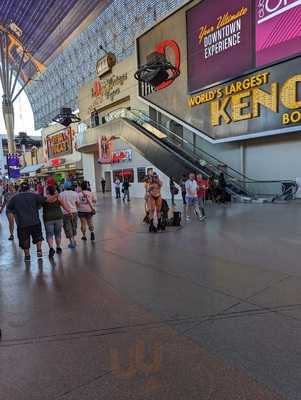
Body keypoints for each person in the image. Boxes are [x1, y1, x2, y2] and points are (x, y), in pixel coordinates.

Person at [7, 181, 45, 262]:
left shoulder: (15, 197)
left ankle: (27, 256)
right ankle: (39, 251)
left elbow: (9, 208)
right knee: (38, 237)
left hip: (22, 223)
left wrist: (15, 212)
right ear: (28, 188)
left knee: (24, 239)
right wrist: (37, 207)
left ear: (20, 188)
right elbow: (42, 202)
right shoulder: (34, 195)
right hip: (35, 221)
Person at [43, 186, 64, 257]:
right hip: (58, 217)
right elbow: (63, 204)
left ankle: (51, 248)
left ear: (47, 191)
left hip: (48, 219)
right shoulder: (57, 197)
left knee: (49, 235)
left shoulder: (45, 198)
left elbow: (41, 204)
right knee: (58, 233)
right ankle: (58, 247)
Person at [59, 180, 80, 249]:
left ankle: (71, 241)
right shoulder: (75, 193)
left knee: (68, 227)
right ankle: (73, 239)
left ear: (64, 187)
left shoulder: (61, 194)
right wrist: (75, 208)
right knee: (74, 226)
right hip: (74, 212)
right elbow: (78, 204)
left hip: (65, 213)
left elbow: (60, 204)